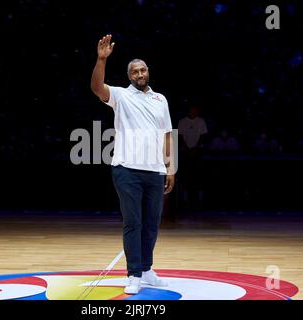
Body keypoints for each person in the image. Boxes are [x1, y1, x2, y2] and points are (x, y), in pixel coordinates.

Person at [90, 34, 175, 295]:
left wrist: (170, 168)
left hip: (155, 170)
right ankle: (133, 273)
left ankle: (147, 269)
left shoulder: (161, 99)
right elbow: (96, 87)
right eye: (135, 71)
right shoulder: (120, 96)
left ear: (148, 72)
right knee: (133, 223)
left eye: (143, 69)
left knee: (151, 224)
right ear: (129, 76)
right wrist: (101, 59)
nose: (140, 73)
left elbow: (167, 135)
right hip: (126, 169)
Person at [177, 104, 208, 210]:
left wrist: (195, 148)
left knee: (197, 177)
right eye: (192, 110)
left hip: (197, 153)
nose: (194, 112)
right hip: (185, 153)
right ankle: (184, 200)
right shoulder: (182, 121)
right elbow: (180, 136)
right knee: (185, 177)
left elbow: (203, 135)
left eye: (196, 110)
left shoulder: (201, 121)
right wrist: (187, 148)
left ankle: (198, 200)